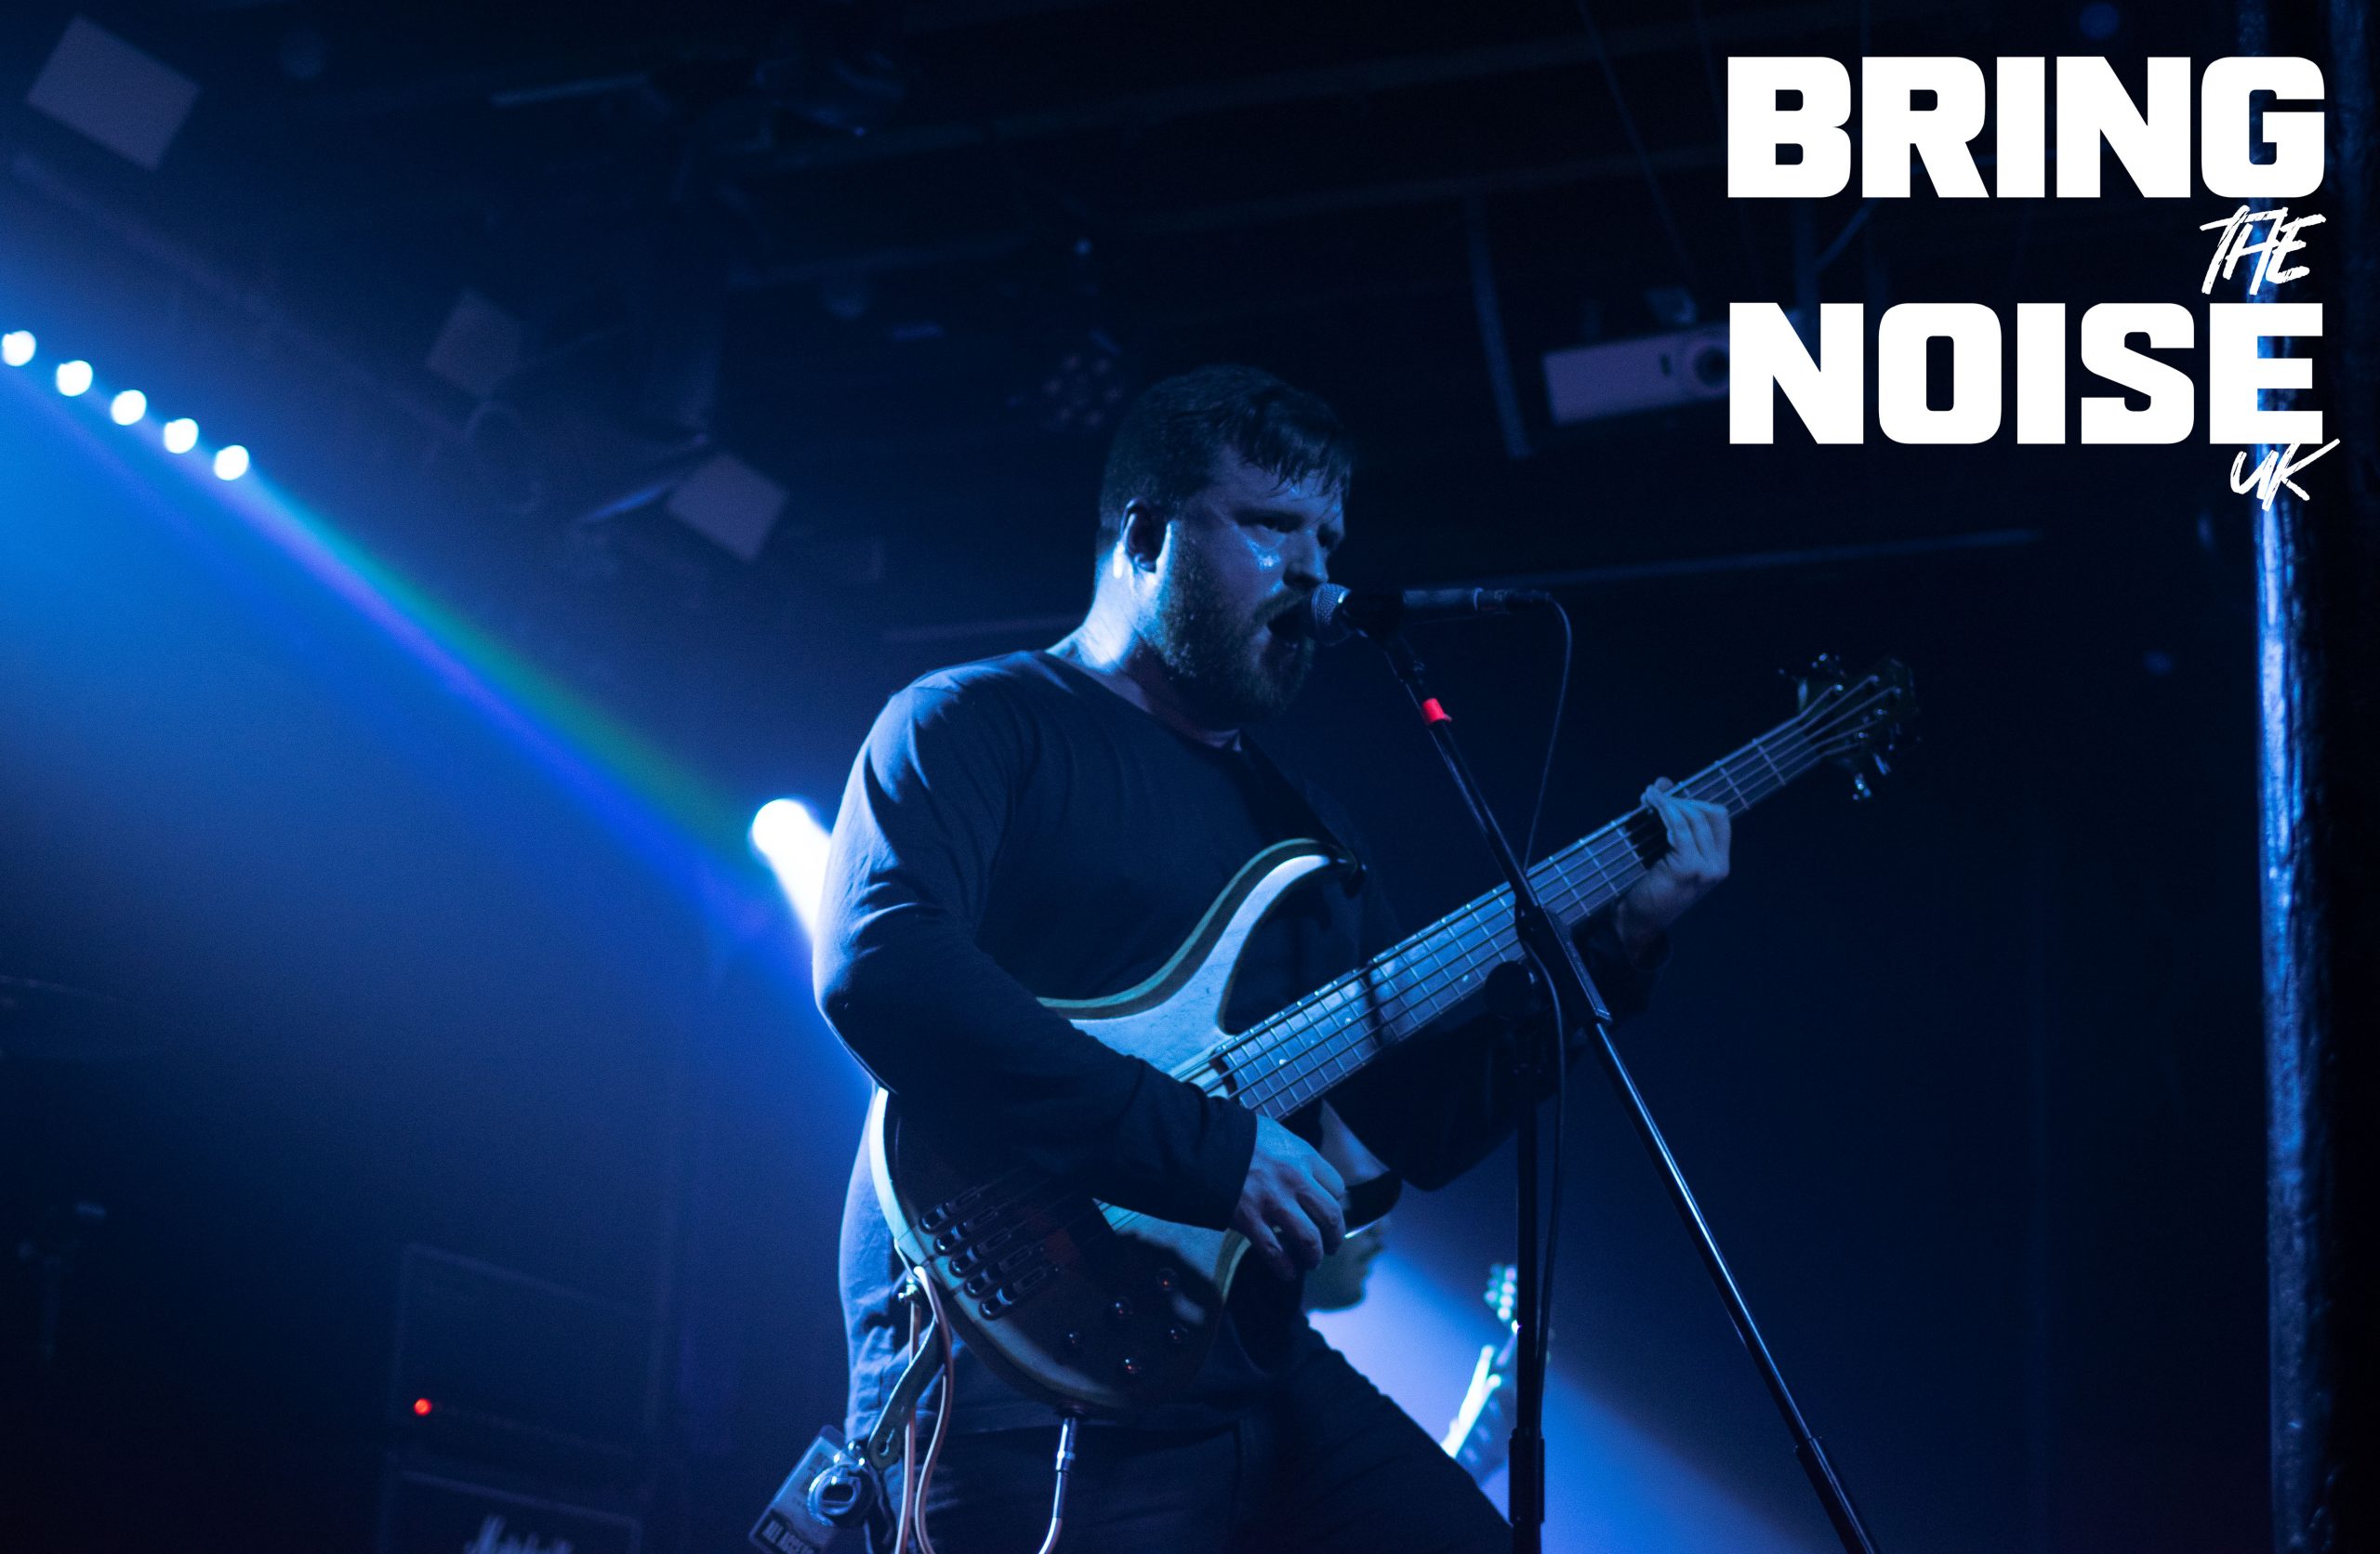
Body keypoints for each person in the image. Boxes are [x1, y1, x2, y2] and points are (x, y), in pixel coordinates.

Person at [815, 364, 1731, 1552]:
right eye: (1269, 525)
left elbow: (1409, 1123)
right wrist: (1208, 1149)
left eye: (1329, 537)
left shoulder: (1305, 836)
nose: (1314, 572)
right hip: (1010, 1349)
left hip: (1242, 1355)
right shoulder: (975, 721)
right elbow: (881, 965)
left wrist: (1617, 944)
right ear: (1145, 537)